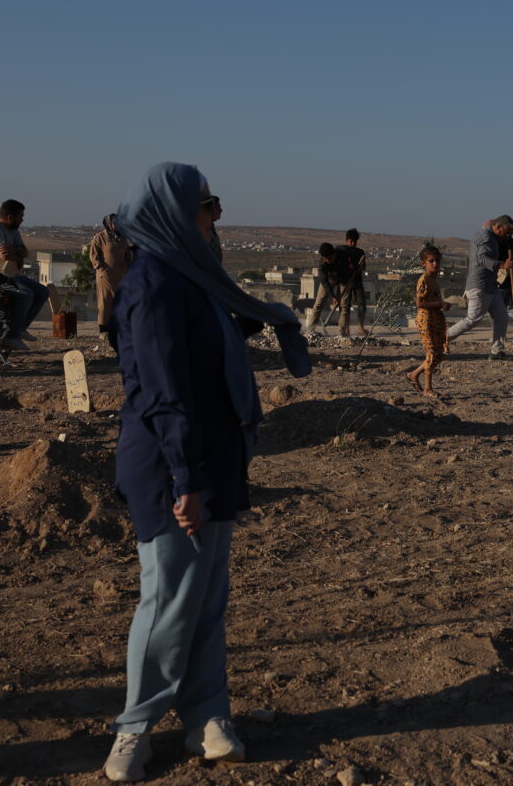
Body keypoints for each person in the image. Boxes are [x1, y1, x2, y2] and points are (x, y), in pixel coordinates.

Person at [102, 163, 309, 782]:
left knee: (207, 597)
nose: (215, 216)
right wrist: (184, 479)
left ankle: (207, 714)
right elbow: (162, 392)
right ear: (172, 213)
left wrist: (261, 315)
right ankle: (135, 727)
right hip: (173, 463)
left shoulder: (192, 275)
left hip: (214, 453)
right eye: (207, 205)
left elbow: (211, 336)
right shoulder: (154, 285)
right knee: (169, 598)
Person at [0, 199, 50, 349]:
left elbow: (25, 252)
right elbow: (5, 256)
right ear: (10, 217)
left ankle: (20, 328)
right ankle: (11, 336)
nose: (22, 220)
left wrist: (15, 251)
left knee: (43, 292)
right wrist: (18, 256)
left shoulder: (12, 229)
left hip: (8, 276)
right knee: (25, 294)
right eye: (20, 217)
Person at [447, 215, 513, 360]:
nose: (508, 236)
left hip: (490, 286)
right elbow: (481, 259)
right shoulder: (486, 237)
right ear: (498, 227)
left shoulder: (491, 236)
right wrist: (502, 265)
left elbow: (488, 223)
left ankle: (497, 352)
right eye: (507, 232)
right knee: (472, 319)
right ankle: (441, 339)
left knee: (501, 317)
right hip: (479, 286)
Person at [405, 245, 450, 397]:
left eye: (437, 261)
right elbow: (419, 303)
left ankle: (414, 374)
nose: (435, 264)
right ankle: (428, 388)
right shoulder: (423, 280)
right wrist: (440, 304)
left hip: (435, 319)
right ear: (424, 263)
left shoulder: (434, 279)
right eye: (431, 261)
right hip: (426, 320)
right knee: (431, 353)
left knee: (438, 354)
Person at [89, 214, 133, 333]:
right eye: (115, 223)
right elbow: (93, 254)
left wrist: (128, 268)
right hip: (106, 275)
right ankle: (103, 329)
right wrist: (100, 267)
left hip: (121, 275)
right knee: (105, 301)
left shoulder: (123, 238)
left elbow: (127, 256)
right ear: (109, 223)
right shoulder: (101, 237)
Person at [303, 242, 351, 334]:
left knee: (344, 305)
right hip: (329, 279)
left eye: (329, 258)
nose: (327, 260)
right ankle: (310, 332)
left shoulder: (343, 256)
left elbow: (349, 272)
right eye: (325, 258)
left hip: (344, 280)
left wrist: (339, 295)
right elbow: (324, 281)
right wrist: (333, 296)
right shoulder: (322, 263)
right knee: (318, 305)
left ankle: (342, 334)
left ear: (334, 254)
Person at [337, 228, 368, 336]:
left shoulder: (360, 252)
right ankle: (346, 329)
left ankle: (361, 328)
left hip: (357, 281)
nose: (353, 243)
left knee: (362, 304)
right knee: (345, 305)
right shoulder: (341, 251)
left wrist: (361, 265)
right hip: (345, 282)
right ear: (347, 240)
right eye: (351, 241)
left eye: (355, 241)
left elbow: (363, 268)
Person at [201, 193, 223, 261]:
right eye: (217, 208)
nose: (221, 210)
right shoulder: (202, 230)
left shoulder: (211, 229)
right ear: (211, 209)